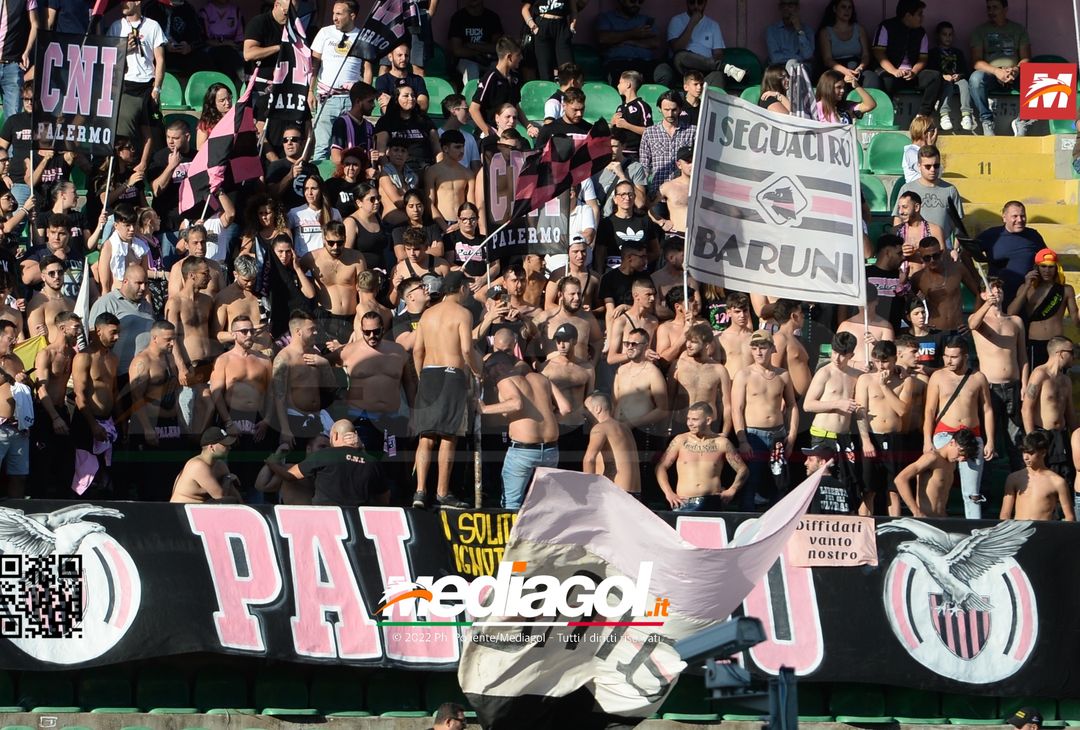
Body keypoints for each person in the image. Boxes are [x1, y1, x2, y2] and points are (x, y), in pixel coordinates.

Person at [412, 271, 477, 509]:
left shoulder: (427, 314)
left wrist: (422, 375)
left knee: (426, 436)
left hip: (429, 373)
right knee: (449, 436)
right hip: (452, 374)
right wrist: (478, 371)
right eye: (468, 287)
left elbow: (417, 350)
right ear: (461, 288)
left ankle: (420, 491)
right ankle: (442, 492)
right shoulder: (463, 314)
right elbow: (467, 350)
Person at [482, 351, 570, 508]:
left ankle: (514, 533)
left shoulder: (505, 380)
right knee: (544, 503)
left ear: (500, 366)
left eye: (489, 370)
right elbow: (565, 409)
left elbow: (516, 403)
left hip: (523, 451)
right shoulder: (542, 379)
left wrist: (484, 409)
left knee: (512, 502)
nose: (488, 375)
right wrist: (545, 421)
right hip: (550, 450)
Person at [923, 337, 994, 519]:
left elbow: (987, 409)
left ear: (965, 356)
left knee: (972, 491)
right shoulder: (938, 376)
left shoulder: (978, 377)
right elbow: (930, 411)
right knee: (938, 482)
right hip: (945, 433)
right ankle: (936, 519)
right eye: (946, 356)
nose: (949, 360)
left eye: (954, 357)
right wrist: (927, 440)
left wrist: (990, 440)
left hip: (971, 434)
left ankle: (973, 526)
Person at [208, 314, 275, 497]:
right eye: (243, 331)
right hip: (232, 416)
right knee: (231, 472)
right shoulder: (224, 360)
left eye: (251, 331)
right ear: (234, 334)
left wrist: (268, 419)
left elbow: (271, 394)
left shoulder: (264, 360)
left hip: (257, 420)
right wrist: (228, 422)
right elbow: (216, 394)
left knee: (257, 470)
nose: (248, 335)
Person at [732, 330, 798, 510]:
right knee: (751, 483)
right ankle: (746, 524)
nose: (759, 352)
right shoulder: (743, 375)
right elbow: (737, 409)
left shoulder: (782, 375)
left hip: (778, 435)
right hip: (754, 435)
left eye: (763, 347)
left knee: (779, 483)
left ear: (772, 349)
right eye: (755, 348)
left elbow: (792, 405)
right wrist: (743, 440)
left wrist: (791, 436)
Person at [969, 277, 1027, 472]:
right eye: (992, 289)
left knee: (1016, 436)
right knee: (987, 436)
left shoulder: (1015, 321)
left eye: (999, 288)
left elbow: (1023, 356)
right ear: (983, 294)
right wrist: (987, 305)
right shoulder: (981, 320)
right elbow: (972, 324)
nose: (996, 292)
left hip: (1013, 385)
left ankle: (1019, 477)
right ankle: (983, 486)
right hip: (990, 387)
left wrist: (1025, 385)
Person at [268, 419, 390, 506]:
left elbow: (290, 475)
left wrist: (272, 463)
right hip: (356, 524)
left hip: (325, 518)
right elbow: (384, 500)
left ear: (335, 436)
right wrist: (362, 450)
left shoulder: (324, 455)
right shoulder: (372, 462)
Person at [855, 340, 913, 516]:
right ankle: (864, 531)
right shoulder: (865, 379)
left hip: (894, 437)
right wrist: (865, 441)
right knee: (868, 490)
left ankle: (893, 532)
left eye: (885, 361)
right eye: (877, 361)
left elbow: (902, 410)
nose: (881, 366)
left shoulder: (905, 381)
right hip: (872, 436)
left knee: (894, 491)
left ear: (895, 359)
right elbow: (860, 412)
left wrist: (884, 387)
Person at [127, 319, 183, 499]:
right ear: (154, 338)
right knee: (151, 477)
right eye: (168, 339)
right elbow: (137, 398)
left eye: (173, 339)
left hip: (171, 425)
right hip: (151, 424)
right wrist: (147, 428)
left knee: (171, 475)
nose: (172, 343)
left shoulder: (170, 357)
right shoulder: (142, 362)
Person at [656, 401, 747, 511]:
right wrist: (669, 493)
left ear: (708, 420)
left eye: (694, 420)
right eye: (688, 419)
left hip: (712, 501)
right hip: (683, 502)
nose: (690, 423)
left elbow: (743, 469)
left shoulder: (722, 443)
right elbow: (661, 467)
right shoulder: (680, 440)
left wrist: (732, 489)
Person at [109, 0, 166, 170]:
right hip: (125, 85)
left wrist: (157, 88)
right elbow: (109, 59)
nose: (122, 3)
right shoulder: (116, 26)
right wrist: (124, 48)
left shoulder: (152, 26)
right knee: (126, 133)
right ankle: (124, 170)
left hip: (147, 85)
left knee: (150, 131)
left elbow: (160, 59)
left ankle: (147, 168)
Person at [30, 311, 80, 499]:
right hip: (45, 413)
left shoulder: (72, 353)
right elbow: (40, 389)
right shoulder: (46, 353)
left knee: (66, 463)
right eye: (75, 327)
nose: (79, 331)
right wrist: (55, 418)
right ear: (62, 328)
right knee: (42, 465)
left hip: (62, 410)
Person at [72, 313, 121, 498]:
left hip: (108, 422)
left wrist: (120, 422)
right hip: (87, 422)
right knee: (85, 475)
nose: (117, 337)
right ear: (98, 331)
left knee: (104, 475)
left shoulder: (113, 358)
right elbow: (79, 395)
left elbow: (114, 392)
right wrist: (93, 425)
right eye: (113, 332)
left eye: (118, 333)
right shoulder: (84, 358)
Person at [309, 0, 363, 162]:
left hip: (351, 99)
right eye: (333, 13)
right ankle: (320, 182)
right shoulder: (325, 33)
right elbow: (314, 64)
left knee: (350, 146)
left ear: (352, 15)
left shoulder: (362, 36)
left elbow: (367, 69)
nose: (334, 17)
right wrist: (310, 91)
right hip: (327, 98)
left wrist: (365, 96)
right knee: (322, 147)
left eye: (339, 14)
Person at [273, 310, 337, 447]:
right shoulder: (284, 358)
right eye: (311, 329)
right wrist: (285, 429)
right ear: (298, 332)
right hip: (296, 420)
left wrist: (324, 364)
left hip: (317, 419)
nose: (315, 332)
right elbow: (279, 397)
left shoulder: (315, 354)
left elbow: (331, 388)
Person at [869, 0, 942, 119]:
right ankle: (886, 113)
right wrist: (894, 71)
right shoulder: (886, 27)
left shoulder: (921, 32)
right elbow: (879, 53)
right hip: (890, 72)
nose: (922, 18)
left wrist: (914, 72)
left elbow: (923, 58)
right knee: (886, 79)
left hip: (911, 74)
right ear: (908, 15)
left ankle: (922, 115)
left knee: (935, 76)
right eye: (919, 14)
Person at [968, 0, 1031, 136]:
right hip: (991, 74)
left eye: (995, 8)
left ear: (1005, 9)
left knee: (1037, 78)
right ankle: (987, 121)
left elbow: (1026, 59)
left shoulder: (1018, 29)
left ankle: (1022, 120)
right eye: (989, 8)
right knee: (975, 79)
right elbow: (976, 62)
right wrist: (997, 71)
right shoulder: (980, 31)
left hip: (1014, 73)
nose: (991, 12)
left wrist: (1016, 70)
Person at [1007, 248, 1077, 368]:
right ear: (1037, 268)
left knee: (1057, 382)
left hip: (1057, 345)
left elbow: (1076, 320)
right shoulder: (1026, 288)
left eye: (1051, 267)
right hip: (1035, 342)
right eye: (1043, 266)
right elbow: (1011, 312)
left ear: (1056, 268)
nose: (1047, 270)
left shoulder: (1066, 290)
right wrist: (1027, 286)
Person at [1022, 336, 1076, 485]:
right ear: (1060, 353)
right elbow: (1026, 408)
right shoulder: (1040, 374)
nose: (1074, 356)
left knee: (1065, 479)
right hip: (1043, 435)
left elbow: (1070, 413)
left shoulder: (1066, 380)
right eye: (1071, 352)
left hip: (1062, 436)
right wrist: (1031, 439)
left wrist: (1077, 436)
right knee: (1043, 480)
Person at [894, 426, 978, 517]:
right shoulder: (932, 458)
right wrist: (916, 512)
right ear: (952, 443)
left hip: (942, 519)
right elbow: (900, 479)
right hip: (926, 520)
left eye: (965, 457)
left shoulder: (952, 464)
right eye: (961, 453)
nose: (961, 459)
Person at [892, 147, 963, 253]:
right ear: (919, 166)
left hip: (942, 249)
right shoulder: (907, 189)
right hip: (913, 248)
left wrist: (955, 249)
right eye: (928, 166)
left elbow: (958, 224)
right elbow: (898, 219)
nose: (933, 169)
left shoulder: (950, 190)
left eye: (936, 165)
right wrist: (900, 245)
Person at [89, 263, 155, 377]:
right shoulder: (108, 302)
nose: (143, 288)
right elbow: (94, 337)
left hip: (146, 373)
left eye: (146, 283)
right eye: (138, 283)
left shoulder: (147, 306)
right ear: (125, 282)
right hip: (119, 374)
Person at [668, 322, 732, 436]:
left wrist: (725, 433)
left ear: (707, 345)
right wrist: (666, 427)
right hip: (682, 424)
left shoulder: (719, 370)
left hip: (710, 426)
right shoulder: (678, 365)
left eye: (694, 342)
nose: (688, 345)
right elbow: (669, 399)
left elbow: (727, 405)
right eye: (688, 340)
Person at [979, 201, 1049, 305]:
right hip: (997, 296)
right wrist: (976, 280)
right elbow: (966, 253)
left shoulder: (1033, 236)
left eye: (1023, 216)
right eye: (1015, 216)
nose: (1020, 220)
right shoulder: (992, 235)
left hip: (1025, 295)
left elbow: (1046, 259)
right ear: (1004, 217)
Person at [469, 37, 539, 140]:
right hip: (491, 134)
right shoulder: (491, 77)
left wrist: (529, 126)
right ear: (509, 57)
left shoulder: (515, 77)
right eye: (518, 55)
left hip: (508, 133)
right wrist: (488, 131)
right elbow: (473, 109)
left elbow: (516, 106)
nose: (521, 58)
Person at [910, 235, 981, 334]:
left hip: (958, 329)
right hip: (934, 330)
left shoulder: (957, 269)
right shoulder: (918, 277)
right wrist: (920, 325)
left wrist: (972, 321)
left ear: (941, 253)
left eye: (935, 256)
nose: (932, 260)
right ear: (921, 258)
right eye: (927, 258)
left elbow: (979, 293)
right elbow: (909, 304)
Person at [1000, 430, 1075, 521]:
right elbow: (1005, 514)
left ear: (1043, 453)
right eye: (1024, 452)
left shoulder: (1057, 482)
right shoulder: (1014, 478)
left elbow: (1070, 517)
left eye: (1031, 453)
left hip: (1044, 532)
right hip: (1019, 531)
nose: (1026, 457)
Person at [639, 91, 697, 198]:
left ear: (680, 109)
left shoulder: (692, 131)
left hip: (684, 192)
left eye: (674, 110)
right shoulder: (649, 133)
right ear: (659, 109)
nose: (670, 114)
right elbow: (644, 165)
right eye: (666, 110)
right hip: (657, 192)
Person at [582, 391, 640, 495]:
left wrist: (588, 490)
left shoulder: (600, 428)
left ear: (597, 409)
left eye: (586, 408)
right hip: (634, 492)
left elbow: (589, 459)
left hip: (616, 492)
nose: (583, 413)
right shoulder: (625, 428)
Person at [170, 426, 243, 503]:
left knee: (233, 499)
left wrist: (245, 507)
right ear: (212, 447)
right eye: (225, 444)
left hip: (200, 509)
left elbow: (231, 489)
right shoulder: (197, 466)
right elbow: (221, 497)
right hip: (180, 511)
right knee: (230, 501)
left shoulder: (220, 465)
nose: (229, 448)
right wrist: (228, 479)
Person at [374, 85, 441, 169]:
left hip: (425, 168)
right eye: (406, 96)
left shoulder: (425, 121)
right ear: (396, 99)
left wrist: (439, 169)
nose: (411, 98)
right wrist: (391, 173)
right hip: (397, 169)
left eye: (413, 96)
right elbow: (381, 153)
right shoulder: (385, 121)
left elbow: (438, 150)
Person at [596, 0, 661, 85]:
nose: (637, 5)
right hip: (618, 62)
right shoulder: (607, 18)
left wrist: (631, 42)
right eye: (632, 1)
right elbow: (603, 39)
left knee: (664, 72)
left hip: (645, 63)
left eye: (640, 2)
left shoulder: (646, 20)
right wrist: (632, 33)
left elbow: (655, 42)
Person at [665, 0, 728, 89]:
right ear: (687, 2)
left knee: (718, 75)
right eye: (692, 2)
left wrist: (704, 64)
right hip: (684, 72)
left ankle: (711, 102)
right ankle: (724, 68)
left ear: (705, 3)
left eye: (700, 3)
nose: (696, 6)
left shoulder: (713, 25)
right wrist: (692, 23)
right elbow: (676, 48)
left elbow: (718, 54)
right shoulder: (676, 21)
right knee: (680, 55)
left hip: (705, 72)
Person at [817, 0, 878, 90]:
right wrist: (846, 71)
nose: (847, 10)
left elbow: (866, 55)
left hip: (857, 67)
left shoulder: (859, 29)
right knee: (839, 83)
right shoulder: (825, 32)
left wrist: (860, 68)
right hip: (837, 68)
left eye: (850, 7)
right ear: (834, 9)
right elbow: (827, 60)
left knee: (872, 79)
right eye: (843, 7)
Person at [929, 21, 973, 132]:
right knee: (947, 85)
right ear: (938, 36)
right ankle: (944, 115)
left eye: (950, 34)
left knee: (964, 84)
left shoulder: (958, 53)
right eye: (944, 34)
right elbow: (931, 70)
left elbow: (965, 71)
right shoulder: (933, 53)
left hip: (956, 80)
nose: (948, 38)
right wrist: (943, 76)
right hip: (943, 81)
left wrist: (959, 75)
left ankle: (966, 115)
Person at [448, 0, 504, 84]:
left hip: (489, 59)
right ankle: (473, 96)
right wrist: (478, 52)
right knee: (472, 68)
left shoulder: (492, 17)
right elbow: (457, 50)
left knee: (500, 68)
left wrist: (471, 45)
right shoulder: (458, 17)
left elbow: (497, 47)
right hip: (466, 60)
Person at [521, 0, 577, 82]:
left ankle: (568, 93)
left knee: (568, 69)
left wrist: (572, 27)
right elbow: (525, 9)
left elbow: (574, 10)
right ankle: (548, 93)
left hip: (562, 27)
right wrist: (533, 27)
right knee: (545, 70)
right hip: (543, 27)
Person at [288, 175, 342, 258]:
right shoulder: (295, 212)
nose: (309, 192)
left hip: (326, 262)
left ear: (321, 190)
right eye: (306, 188)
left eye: (313, 188)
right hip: (303, 263)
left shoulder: (334, 213)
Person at [25, 255, 75, 344]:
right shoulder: (37, 304)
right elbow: (36, 342)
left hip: (72, 354)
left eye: (60, 272)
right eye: (51, 273)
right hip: (50, 355)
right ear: (43, 277)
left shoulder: (71, 302)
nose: (57, 276)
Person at [329, 83, 378, 166]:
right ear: (358, 101)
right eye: (370, 101)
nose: (373, 105)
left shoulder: (369, 127)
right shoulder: (341, 123)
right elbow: (336, 157)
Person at [803, 442, 859, 514]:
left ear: (822, 462)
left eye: (810, 460)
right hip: (840, 525)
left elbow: (803, 517)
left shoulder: (811, 487)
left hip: (817, 524)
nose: (805, 463)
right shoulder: (844, 488)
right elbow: (852, 516)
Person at [374, 43, 430, 113]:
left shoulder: (418, 79)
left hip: (414, 122)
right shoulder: (382, 80)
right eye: (399, 55)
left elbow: (423, 106)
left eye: (406, 55)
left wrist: (392, 103)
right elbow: (386, 110)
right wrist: (411, 104)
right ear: (390, 57)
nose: (403, 58)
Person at [199, 0, 245, 84]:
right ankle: (242, 79)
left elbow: (240, 37)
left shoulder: (236, 11)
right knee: (226, 53)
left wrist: (237, 45)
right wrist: (226, 43)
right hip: (212, 49)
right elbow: (205, 40)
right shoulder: (205, 11)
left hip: (232, 49)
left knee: (232, 56)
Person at [765, 0, 814, 68]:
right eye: (783, 5)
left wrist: (799, 31)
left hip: (800, 69)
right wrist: (800, 58)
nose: (786, 8)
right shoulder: (772, 30)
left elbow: (808, 55)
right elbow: (775, 58)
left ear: (797, 7)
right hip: (779, 69)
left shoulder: (807, 30)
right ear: (780, 7)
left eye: (790, 5)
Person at [901, 116, 938, 184]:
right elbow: (929, 172)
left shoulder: (924, 150)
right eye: (933, 130)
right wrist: (931, 148)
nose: (935, 134)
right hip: (916, 191)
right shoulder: (911, 152)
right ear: (925, 132)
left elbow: (938, 172)